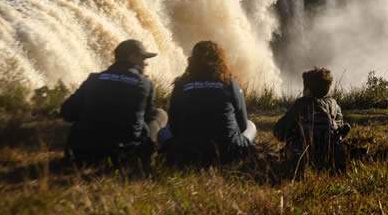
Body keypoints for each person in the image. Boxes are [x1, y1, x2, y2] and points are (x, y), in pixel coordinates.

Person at [61, 38, 167, 168]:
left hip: (82, 153)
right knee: (160, 114)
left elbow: (66, 112)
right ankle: (150, 155)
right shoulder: (145, 84)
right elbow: (146, 117)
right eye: (143, 58)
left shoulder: (93, 79)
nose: (146, 63)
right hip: (123, 155)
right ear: (132, 57)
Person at [161, 41, 257, 165]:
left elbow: (173, 125)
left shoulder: (181, 84)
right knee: (251, 125)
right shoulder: (230, 83)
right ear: (220, 59)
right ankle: (243, 154)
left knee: (163, 131)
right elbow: (243, 125)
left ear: (192, 60)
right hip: (228, 152)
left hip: (186, 153)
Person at [274, 67, 350, 171]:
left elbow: (279, 132)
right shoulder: (333, 104)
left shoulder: (301, 104)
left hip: (304, 153)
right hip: (329, 155)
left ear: (308, 90)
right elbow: (340, 128)